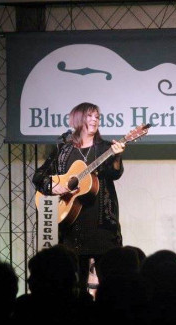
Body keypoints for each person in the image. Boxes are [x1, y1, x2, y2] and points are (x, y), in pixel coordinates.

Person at [32, 102, 125, 294]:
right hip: (72, 222)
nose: (94, 120)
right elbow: (39, 176)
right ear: (78, 119)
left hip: (101, 221)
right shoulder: (63, 150)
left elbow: (115, 174)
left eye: (97, 117)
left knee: (110, 280)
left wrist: (116, 158)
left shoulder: (106, 148)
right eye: (90, 116)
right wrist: (54, 186)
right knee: (76, 283)